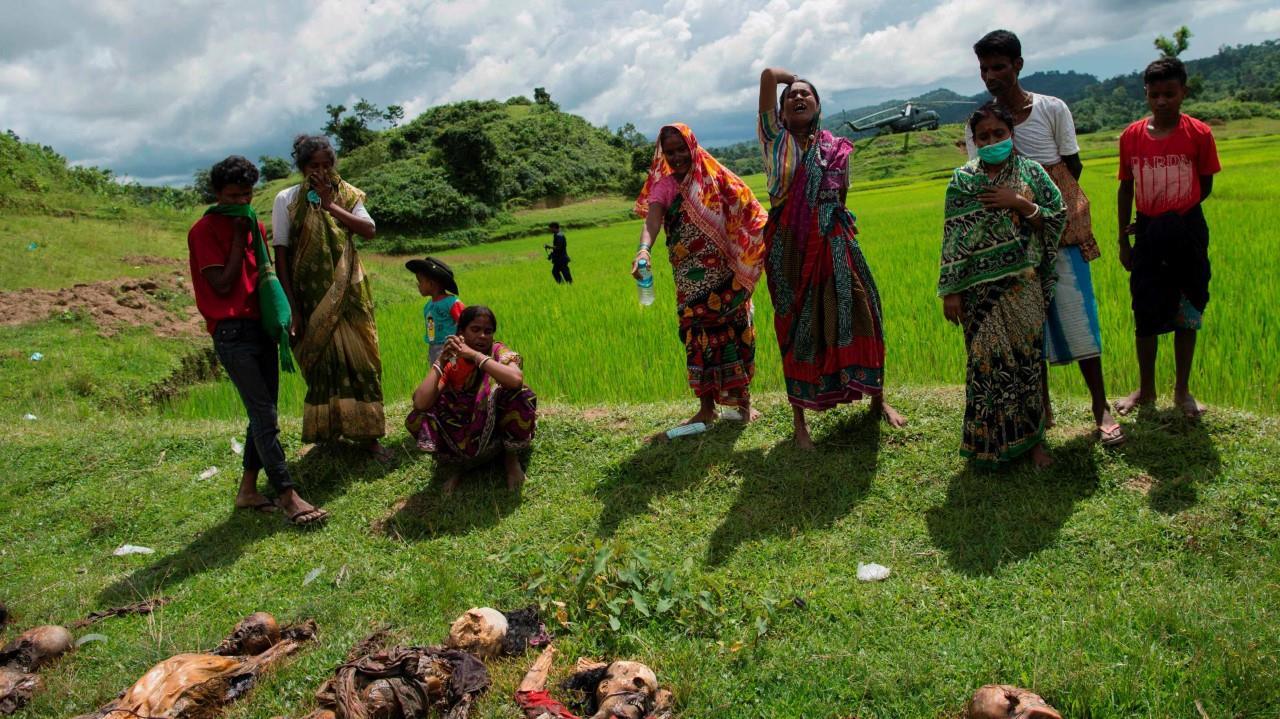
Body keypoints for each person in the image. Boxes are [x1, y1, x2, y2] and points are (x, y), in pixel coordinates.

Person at [967, 29, 1123, 447]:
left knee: (1078, 315)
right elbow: (981, 178)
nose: (991, 75)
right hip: (1010, 240)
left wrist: (1041, 208)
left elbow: (1071, 167)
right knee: (1027, 327)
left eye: (999, 66)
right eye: (984, 68)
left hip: (1058, 230)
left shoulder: (1052, 108)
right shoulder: (983, 122)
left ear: (1018, 65)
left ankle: (1100, 406)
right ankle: (1042, 408)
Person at [757, 68, 907, 449]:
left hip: (836, 241)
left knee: (864, 309)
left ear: (819, 105)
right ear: (781, 112)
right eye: (791, 96)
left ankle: (878, 399)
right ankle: (800, 424)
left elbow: (842, 198)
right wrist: (791, 77)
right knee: (795, 326)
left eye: (806, 94)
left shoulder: (837, 147)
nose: (799, 98)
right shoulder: (774, 139)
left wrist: (830, 232)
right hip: (790, 247)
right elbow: (767, 75)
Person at [187, 156, 327, 525]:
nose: (241, 203)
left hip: (260, 328)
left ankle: (248, 491)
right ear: (217, 194)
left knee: (263, 414)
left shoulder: (252, 225)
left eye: (247, 196)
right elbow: (222, 283)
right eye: (233, 196)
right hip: (232, 333)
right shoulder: (204, 232)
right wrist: (238, 239)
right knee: (264, 415)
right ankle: (287, 494)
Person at [940, 104, 1065, 468]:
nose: (992, 141)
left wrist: (1021, 203)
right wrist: (951, 291)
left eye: (999, 134)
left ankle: (1035, 442)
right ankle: (989, 445)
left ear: (1011, 134)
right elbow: (952, 239)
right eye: (984, 137)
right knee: (985, 367)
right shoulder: (963, 181)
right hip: (979, 295)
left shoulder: (1032, 173)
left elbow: (1056, 219)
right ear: (974, 141)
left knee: (1027, 364)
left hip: (1023, 288)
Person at [631, 123, 769, 425]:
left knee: (736, 334)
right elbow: (652, 221)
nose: (677, 156)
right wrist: (644, 250)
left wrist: (760, 238)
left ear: (692, 146)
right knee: (698, 340)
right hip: (690, 281)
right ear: (663, 155)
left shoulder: (716, 177)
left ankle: (742, 405)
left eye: (682, 149)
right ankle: (707, 408)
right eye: (670, 152)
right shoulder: (664, 187)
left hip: (726, 275)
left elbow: (750, 209)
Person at [271, 134, 391, 460]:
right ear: (302, 167)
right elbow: (280, 254)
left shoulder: (348, 194)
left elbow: (368, 230)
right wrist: (292, 307)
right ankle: (329, 434)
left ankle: (368, 436)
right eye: (314, 165)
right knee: (323, 365)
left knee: (363, 362)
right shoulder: (287, 200)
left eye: (327, 164)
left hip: (350, 294)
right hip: (309, 298)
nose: (321, 171)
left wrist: (331, 205)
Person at [1115, 57, 1221, 419]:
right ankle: (1146, 390)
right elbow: (1126, 188)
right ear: (1146, 94)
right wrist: (1123, 239)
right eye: (1155, 94)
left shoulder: (1200, 134)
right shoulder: (1130, 136)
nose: (1162, 101)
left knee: (1188, 307)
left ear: (1183, 93)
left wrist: (1174, 217)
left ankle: (1182, 390)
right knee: (1143, 308)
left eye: (1169, 94)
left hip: (1187, 229)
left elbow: (1204, 184)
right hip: (1145, 230)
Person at [406, 305, 537, 492]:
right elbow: (420, 403)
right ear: (461, 333)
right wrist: (440, 361)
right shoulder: (452, 362)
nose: (482, 336)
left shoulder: (498, 351)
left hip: (495, 429)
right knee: (427, 411)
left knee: (519, 395)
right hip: (466, 430)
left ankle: (510, 460)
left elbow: (516, 380)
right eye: (475, 330)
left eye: (488, 331)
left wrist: (476, 356)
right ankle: (459, 464)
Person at [406, 256, 464, 365]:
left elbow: (465, 324)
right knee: (437, 376)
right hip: (434, 348)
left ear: (431, 284)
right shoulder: (428, 306)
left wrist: (460, 344)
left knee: (453, 372)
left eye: (420, 281)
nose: (418, 285)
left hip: (450, 348)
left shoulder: (452, 303)